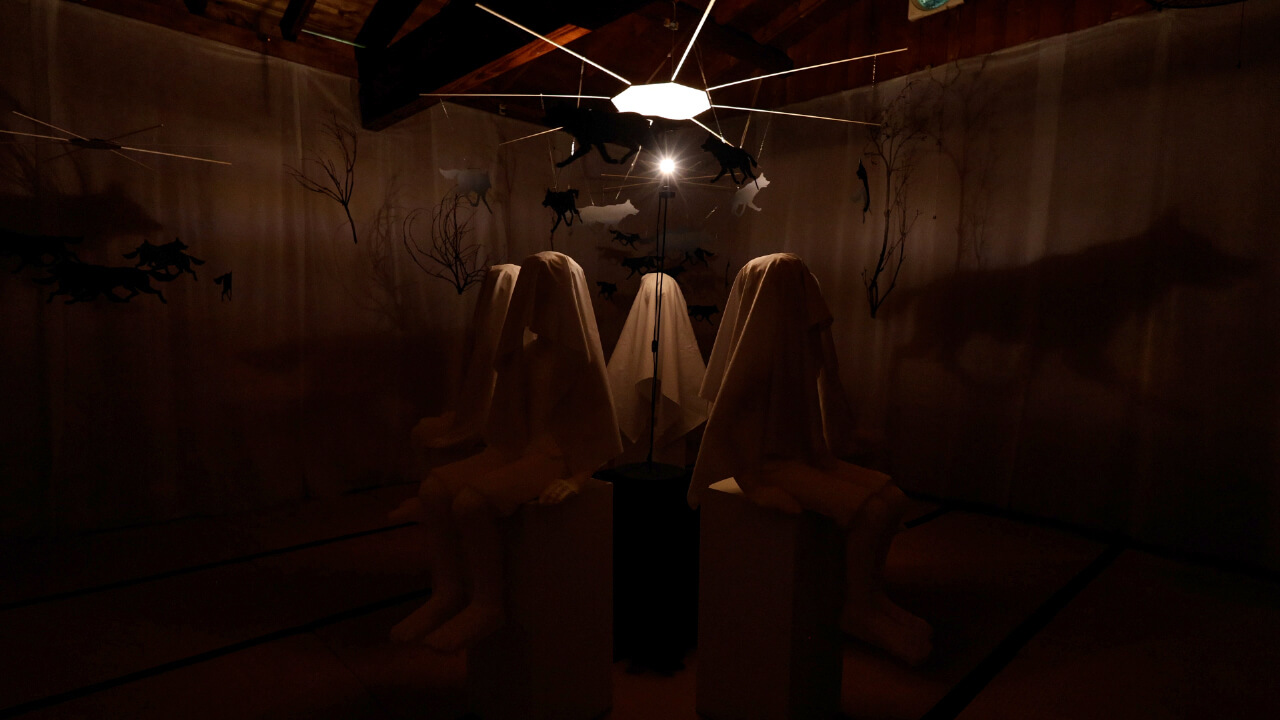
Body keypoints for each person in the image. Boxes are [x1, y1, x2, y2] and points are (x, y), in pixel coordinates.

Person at [688, 253, 932, 665]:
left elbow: (824, 404)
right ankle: (858, 608)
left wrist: (842, 440)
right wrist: (755, 485)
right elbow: (724, 427)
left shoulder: (797, 350)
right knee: (871, 512)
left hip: (803, 457)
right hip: (771, 465)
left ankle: (871, 596)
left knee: (892, 499)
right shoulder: (755, 359)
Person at [391, 252, 622, 652]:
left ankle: (487, 602)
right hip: (517, 448)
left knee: (470, 503)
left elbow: (597, 430)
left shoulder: (578, 360)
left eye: (540, 298)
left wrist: (576, 478)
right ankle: (447, 591)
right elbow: (507, 423)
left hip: (552, 455)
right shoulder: (527, 356)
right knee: (433, 490)